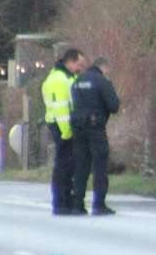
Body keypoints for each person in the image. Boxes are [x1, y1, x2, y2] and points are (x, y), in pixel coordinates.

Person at [69, 56, 121, 216]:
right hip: (95, 127)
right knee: (99, 166)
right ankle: (99, 205)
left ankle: (77, 205)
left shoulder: (77, 82)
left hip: (78, 127)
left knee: (81, 166)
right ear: (104, 68)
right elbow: (114, 106)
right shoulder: (101, 81)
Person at [41, 49, 86, 214]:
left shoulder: (67, 77)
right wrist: (67, 132)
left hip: (64, 126)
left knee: (68, 166)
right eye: (79, 64)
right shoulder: (59, 80)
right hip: (61, 127)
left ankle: (66, 201)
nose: (80, 68)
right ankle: (60, 203)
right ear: (70, 62)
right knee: (63, 166)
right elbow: (61, 109)